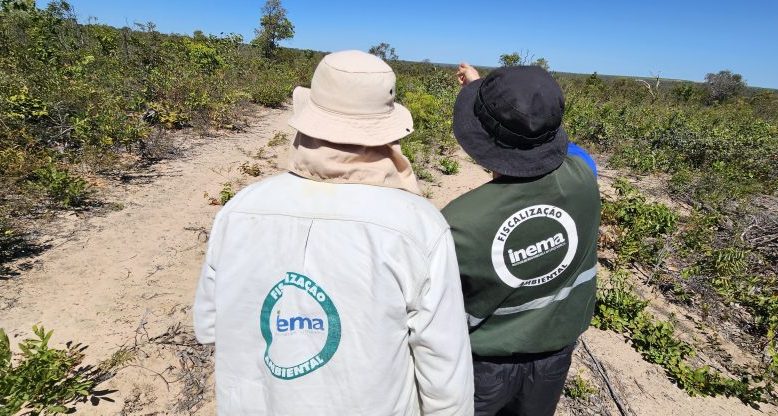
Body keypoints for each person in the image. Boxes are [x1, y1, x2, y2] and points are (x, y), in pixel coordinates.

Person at [193, 50, 474, 416]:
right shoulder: (419, 225)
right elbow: (443, 363)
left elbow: (209, 326)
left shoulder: (240, 209)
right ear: (385, 129)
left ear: (309, 120)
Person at [443, 63, 601, 416]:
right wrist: (509, 107)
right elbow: (557, 144)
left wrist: (485, 99)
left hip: (483, 366)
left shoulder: (460, 222)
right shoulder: (585, 174)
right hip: (555, 357)